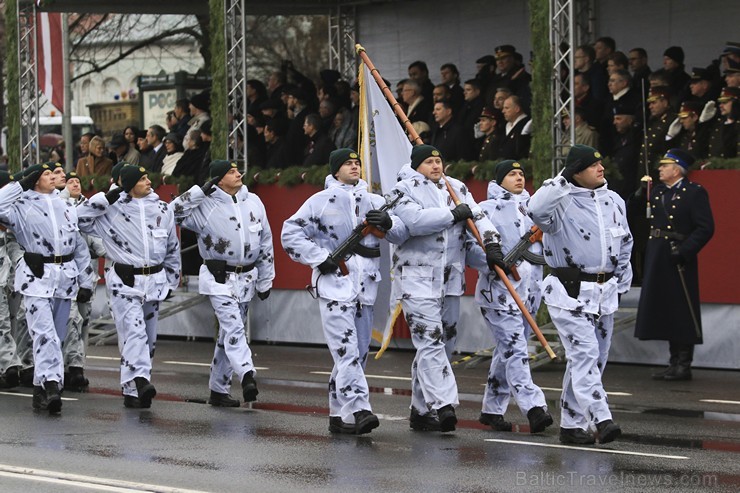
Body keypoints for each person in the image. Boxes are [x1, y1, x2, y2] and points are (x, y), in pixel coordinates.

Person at [282, 148, 407, 435]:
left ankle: (339, 414)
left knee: (358, 353)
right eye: (348, 164)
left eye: (357, 163)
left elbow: (401, 233)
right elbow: (291, 233)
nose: (354, 167)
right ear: (335, 170)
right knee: (346, 350)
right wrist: (317, 256)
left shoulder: (375, 201)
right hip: (335, 286)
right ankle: (360, 408)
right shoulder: (320, 201)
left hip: (366, 288)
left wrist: (387, 223)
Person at [389, 145, 501, 433]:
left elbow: (478, 216)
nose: (436, 165)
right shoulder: (402, 190)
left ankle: (421, 409)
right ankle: (443, 405)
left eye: (439, 160)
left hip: (451, 277)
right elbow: (414, 222)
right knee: (430, 341)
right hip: (417, 276)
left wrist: (492, 243)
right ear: (416, 166)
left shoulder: (457, 187)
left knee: (445, 343)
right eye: (429, 161)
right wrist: (452, 215)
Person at [529, 144, 633, 445]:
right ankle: (601, 418)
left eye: (600, 163)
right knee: (584, 354)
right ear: (576, 172)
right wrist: (561, 179)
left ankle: (572, 425)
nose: (600, 168)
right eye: (591, 165)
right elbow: (535, 209)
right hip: (568, 291)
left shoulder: (614, 200)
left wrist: (622, 277)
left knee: (594, 359)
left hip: (603, 291)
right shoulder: (559, 203)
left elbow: (625, 239)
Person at [171, 161, 274, 406]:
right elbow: (172, 213)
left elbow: (266, 241)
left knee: (228, 333)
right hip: (218, 279)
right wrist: (199, 191)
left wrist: (266, 278)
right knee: (235, 328)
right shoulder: (204, 205)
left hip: (246, 278)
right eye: (231, 172)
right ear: (218, 179)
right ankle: (247, 374)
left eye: (238, 170)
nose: (238, 174)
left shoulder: (254, 202)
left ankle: (218, 388)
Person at [77, 166, 180, 409]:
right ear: (129, 184)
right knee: (134, 332)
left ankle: (132, 389)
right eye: (141, 179)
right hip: (124, 280)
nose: (148, 181)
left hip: (153, 280)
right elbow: (77, 218)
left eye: (147, 176)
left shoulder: (162, 209)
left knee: (148, 338)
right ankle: (141, 380)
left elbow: (172, 247)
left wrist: (172, 279)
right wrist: (109, 196)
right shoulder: (110, 209)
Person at [0, 163, 94, 414]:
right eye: (46, 174)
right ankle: (52, 385)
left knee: (58, 335)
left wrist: (85, 280)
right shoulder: (20, 204)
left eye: (54, 173)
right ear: (33, 180)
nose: (53, 177)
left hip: (64, 276)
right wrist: (19, 185)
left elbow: (78, 245)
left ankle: (42, 388)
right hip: (36, 278)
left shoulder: (65, 205)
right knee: (44, 333)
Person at [467, 160, 553, 434]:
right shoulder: (485, 210)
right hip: (500, 293)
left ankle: (492, 410)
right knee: (516, 350)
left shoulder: (534, 210)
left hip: (529, 292)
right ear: (499, 180)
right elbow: (471, 249)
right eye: (512, 174)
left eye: (521, 174)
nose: (518, 178)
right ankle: (534, 408)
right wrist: (490, 259)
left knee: (508, 350)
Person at [634, 149, 714, 381]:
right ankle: (673, 361)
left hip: (679, 256)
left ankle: (683, 363)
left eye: (664, 165)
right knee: (665, 308)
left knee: (682, 308)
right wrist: (640, 193)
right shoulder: (657, 192)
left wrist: (685, 251)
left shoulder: (694, 192)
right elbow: (635, 210)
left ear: (676, 169)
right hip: (658, 255)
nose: (660, 168)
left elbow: (705, 228)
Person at [59, 170, 106, 391]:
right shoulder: (59, 206)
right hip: (67, 272)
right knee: (70, 321)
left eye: (78, 181)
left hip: (87, 271)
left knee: (84, 321)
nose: (75, 184)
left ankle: (78, 365)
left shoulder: (89, 207)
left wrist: (100, 249)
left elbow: (98, 236)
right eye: (70, 181)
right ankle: (68, 369)